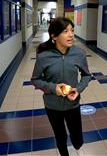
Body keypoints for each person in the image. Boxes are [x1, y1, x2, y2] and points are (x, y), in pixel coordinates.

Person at [31, 17, 91, 156]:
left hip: (73, 104)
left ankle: (78, 148)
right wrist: (53, 88)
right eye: (66, 31)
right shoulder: (43, 56)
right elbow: (35, 80)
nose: (71, 35)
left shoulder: (79, 54)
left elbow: (87, 75)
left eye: (72, 30)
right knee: (60, 135)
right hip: (52, 106)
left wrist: (79, 89)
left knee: (76, 134)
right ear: (54, 36)